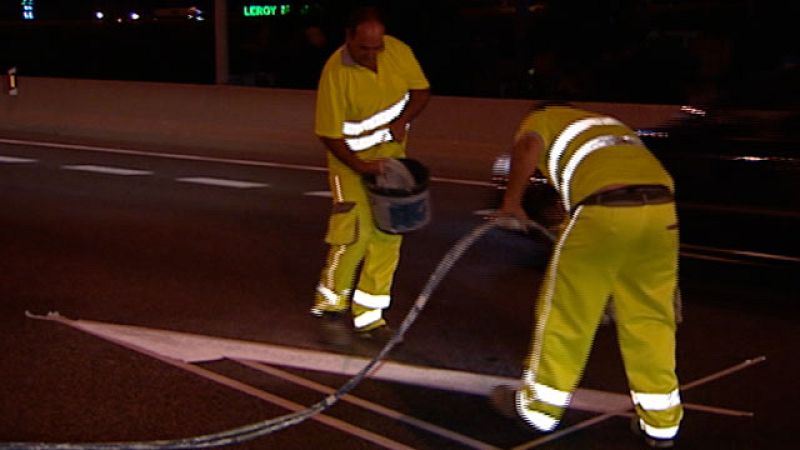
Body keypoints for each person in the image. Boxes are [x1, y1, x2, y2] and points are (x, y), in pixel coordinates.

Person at [492, 102, 683, 448]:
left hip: (603, 208)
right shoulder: (605, 126)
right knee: (651, 320)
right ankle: (661, 423)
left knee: (567, 313)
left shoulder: (541, 118)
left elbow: (528, 146)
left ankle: (538, 409)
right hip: (661, 210)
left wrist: (511, 203)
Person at [310, 6, 431, 339]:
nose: (372, 55)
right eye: (364, 48)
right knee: (355, 233)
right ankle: (330, 304)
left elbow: (421, 91)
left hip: (390, 158)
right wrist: (361, 166)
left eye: (377, 47)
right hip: (349, 163)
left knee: (389, 233)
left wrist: (403, 121)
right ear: (349, 37)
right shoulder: (336, 73)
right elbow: (329, 134)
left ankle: (370, 316)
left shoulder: (398, 51)